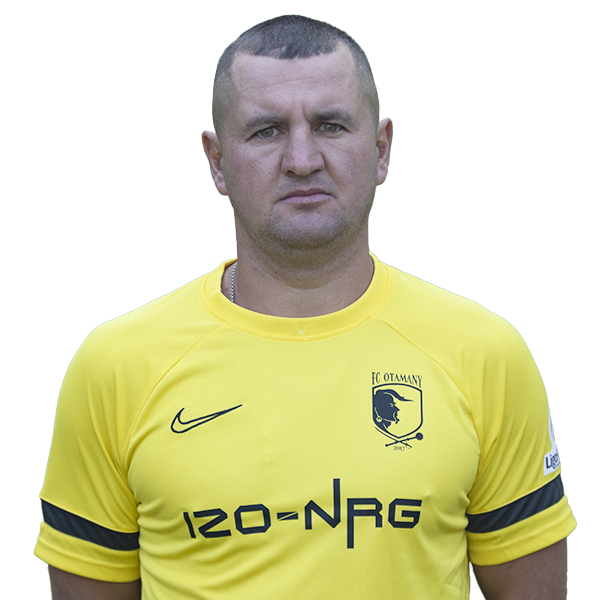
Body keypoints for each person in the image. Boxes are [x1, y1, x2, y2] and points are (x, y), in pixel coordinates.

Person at [34, 15, 576, 600]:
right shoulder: (116, 366)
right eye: (266, 130)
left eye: (330, 125)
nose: (301, 159)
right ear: (217, 161)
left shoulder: (484, 353)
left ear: (381, 149)